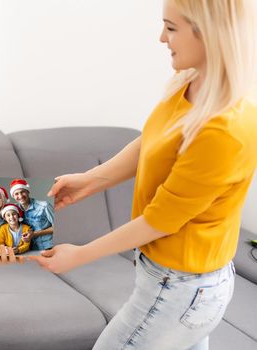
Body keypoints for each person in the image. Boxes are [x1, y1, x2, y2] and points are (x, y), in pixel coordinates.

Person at [31, 0, 257, 349]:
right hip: (172, 281)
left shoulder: (225, 129)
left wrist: (80, 255)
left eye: (171, 28)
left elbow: (160, 220)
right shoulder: (190, 83)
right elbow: (152, 143)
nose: (161, 38)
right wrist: (91, 180)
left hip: (182, 288)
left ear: (209, 33)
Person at [9, 179, 54, 250]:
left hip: (48, 246)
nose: (20, 196)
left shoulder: (44, 206)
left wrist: (35, 234)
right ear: (13, 196)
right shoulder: (14, 210)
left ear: (28, 192)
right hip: (27, 248)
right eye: (16, 194)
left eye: (22, 192)